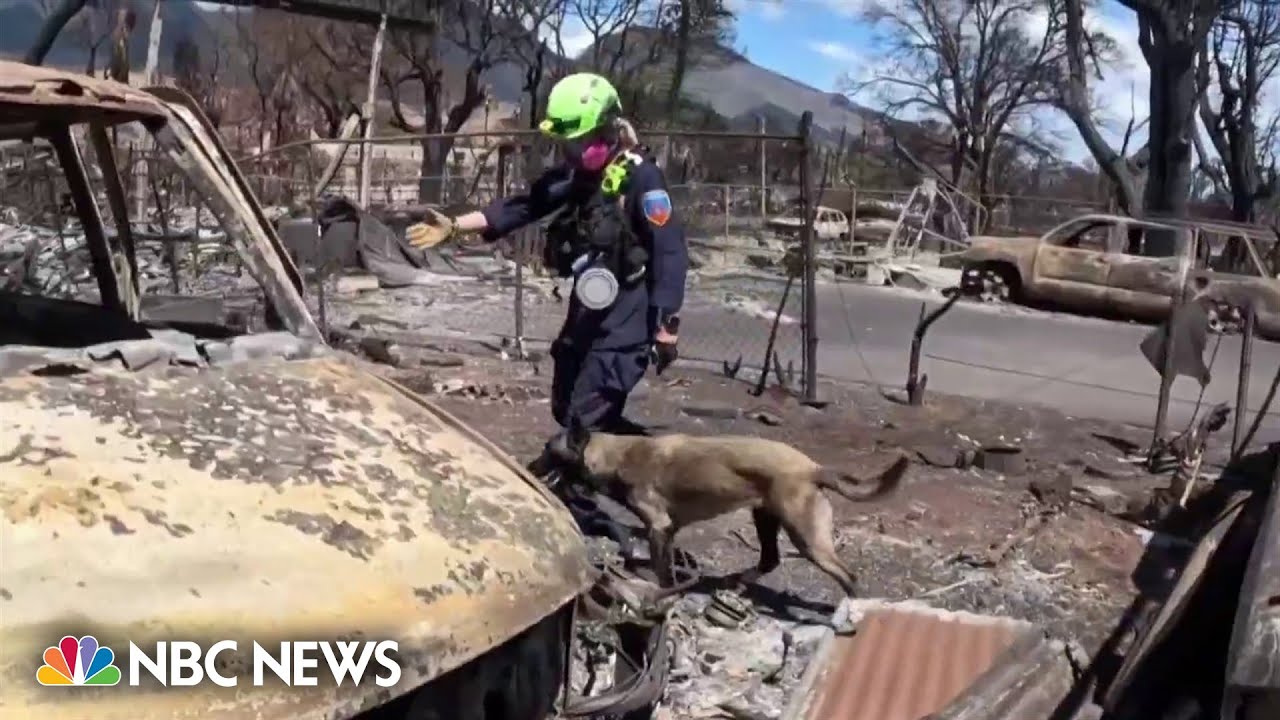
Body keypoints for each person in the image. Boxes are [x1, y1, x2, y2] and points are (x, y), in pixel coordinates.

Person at [405, 72, 688, 434]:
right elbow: (524, 206)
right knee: (565, 406)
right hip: (588, 308)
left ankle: (622, 462)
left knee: (584, 418)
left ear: (607, 129)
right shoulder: (579, 176)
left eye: (579, 141)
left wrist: (666, 327)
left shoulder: (642, 178)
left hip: (627, 316)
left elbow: (669, 251)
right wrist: (455, 226)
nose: (571, 151)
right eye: (567, 143)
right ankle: (630, 456)